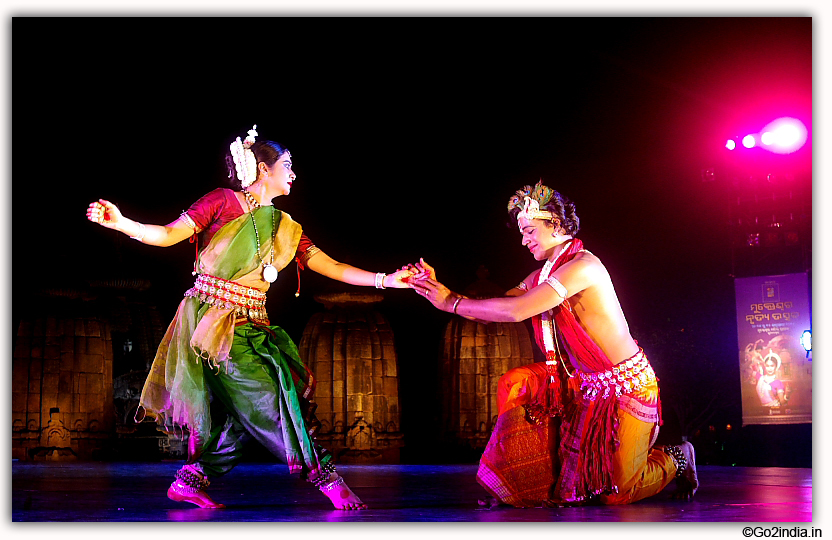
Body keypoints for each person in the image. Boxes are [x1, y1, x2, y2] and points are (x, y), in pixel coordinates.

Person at [86, 125, 413, 510]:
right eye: (287, 165)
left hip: (254, 324)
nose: (293, 173)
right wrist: (122, 223)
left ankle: (191, 480)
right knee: (272, 400)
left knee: (246, 415)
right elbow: (169, 234)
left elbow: (332, 265)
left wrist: (386, 280)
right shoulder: (222, 201)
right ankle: (324, 476)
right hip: (214, 328)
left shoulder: (286, 226)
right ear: (263, 169)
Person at [408, 181, 698, 507]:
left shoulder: (584, 267)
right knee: (517, 385)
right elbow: (496, 311)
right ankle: (521, 478)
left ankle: (678, 457)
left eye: (529, 229)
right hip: (583, 386)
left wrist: (451, 303)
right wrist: (439, 290)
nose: (523, 240)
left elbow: (518, 311)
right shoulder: (540, 276)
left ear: (556, 225)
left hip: (625, 388)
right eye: (521, 232)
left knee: (616, 495)